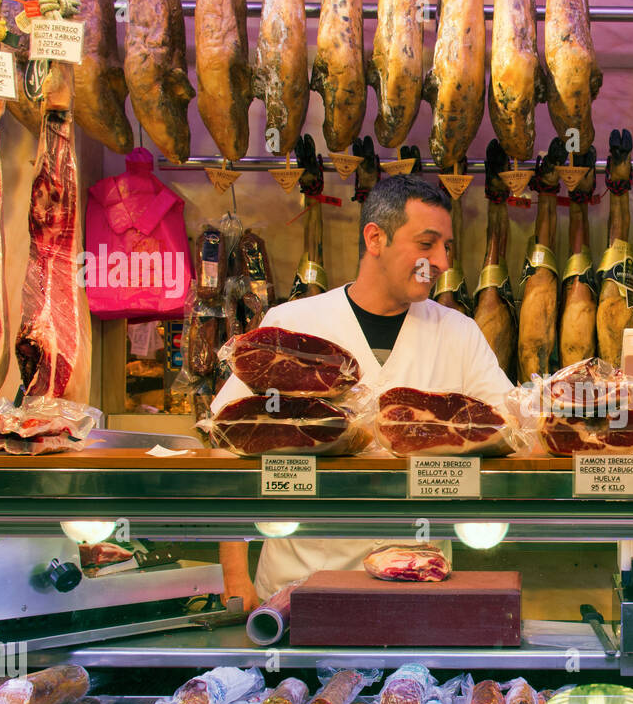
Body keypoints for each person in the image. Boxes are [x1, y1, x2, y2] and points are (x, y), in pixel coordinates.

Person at [213, 174, 514, 610]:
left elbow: (513, 433)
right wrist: (235, 576)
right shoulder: (293, 326)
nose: (443, 261)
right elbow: (229, 449)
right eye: (427, 244)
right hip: (298, 592)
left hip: (416, 585)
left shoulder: (459, 333)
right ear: (375, 238)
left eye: (446, 247)